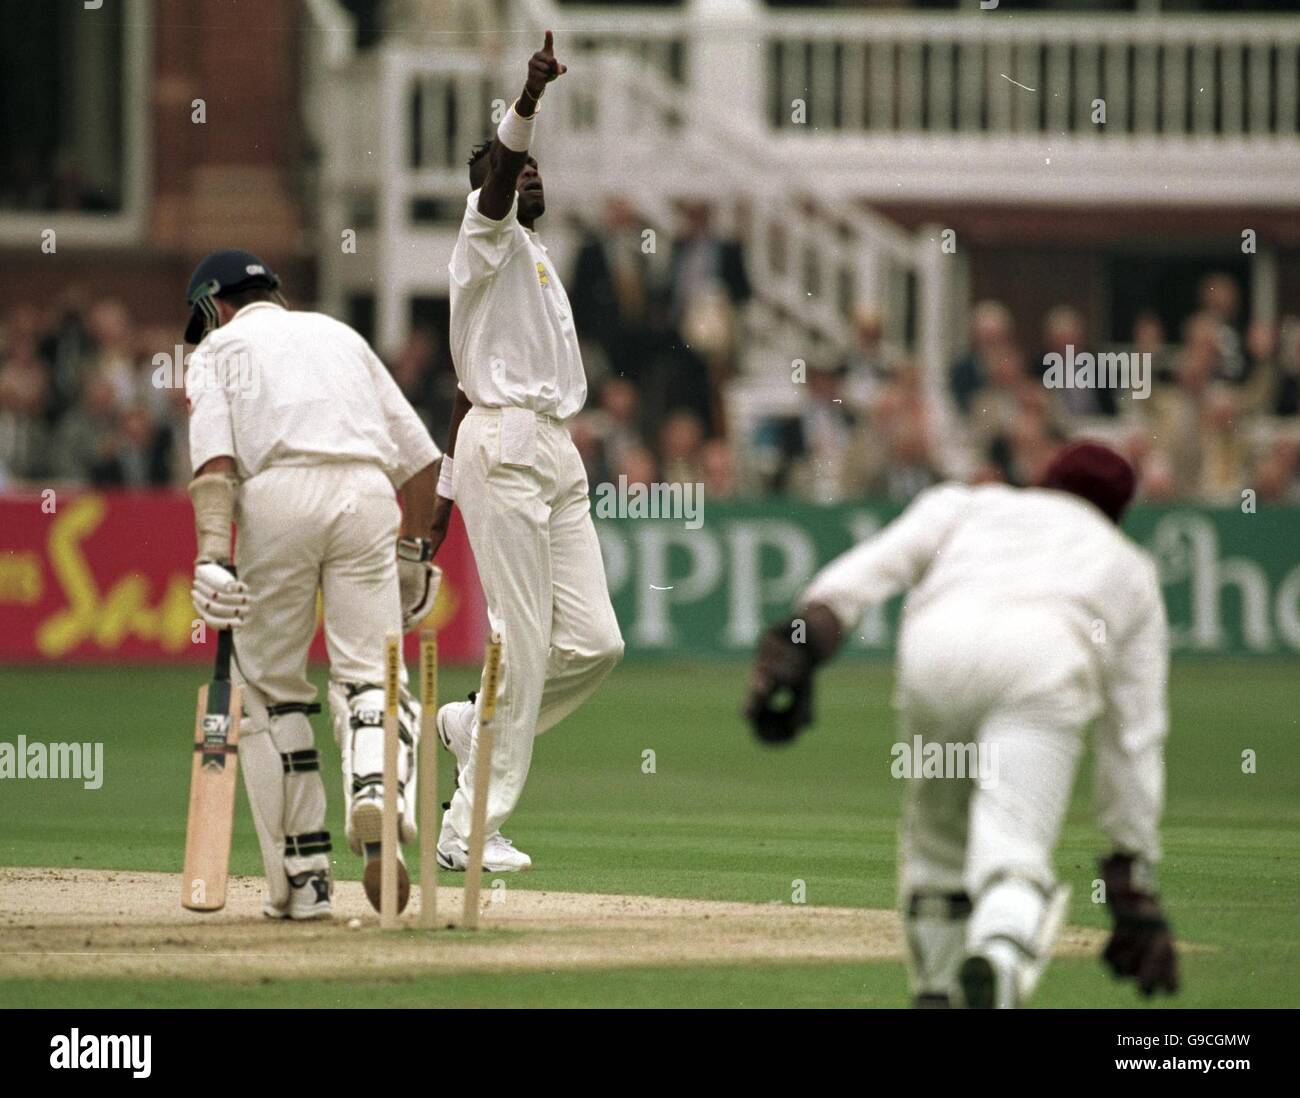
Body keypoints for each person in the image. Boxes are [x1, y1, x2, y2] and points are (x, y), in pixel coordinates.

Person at [744, 441, 1178, 1008]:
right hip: (1043, 664)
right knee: (1015, 850)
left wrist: (800, 643)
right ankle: (997, 963)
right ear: (1119, 512)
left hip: (934, 655)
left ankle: (935, 989)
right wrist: (1129, 867)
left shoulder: (970, 504)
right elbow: (1134, 735)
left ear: (1043, 479)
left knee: (938, 851)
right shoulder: (1128, 565)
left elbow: (868, 570)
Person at [183, 249, 443, 920]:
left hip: (277, 497)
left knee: (272, 692)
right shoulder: (341, 336)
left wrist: (213, 553)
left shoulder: (218, 352)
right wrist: (412, 553)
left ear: (216, 308)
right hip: (365, 493)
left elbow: (215, 464)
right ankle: (376, 786)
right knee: (373, 678)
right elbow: (422, 466)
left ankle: (306, 883)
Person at [429, 32, 624, 873]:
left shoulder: (536, 261)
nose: (531, 172)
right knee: (521, 641)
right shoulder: (484, 238)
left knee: (594, 643)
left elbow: (457, 397)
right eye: (517, 166)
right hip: (507, 447)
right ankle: (467, 828)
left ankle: (473, 723)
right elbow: (503, 174)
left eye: (538, 167)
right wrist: (531, 96)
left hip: (553, 451)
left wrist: (437, 507)